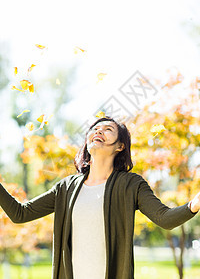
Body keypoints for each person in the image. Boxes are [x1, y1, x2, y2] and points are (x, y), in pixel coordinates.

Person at [0, 116, 199, 279]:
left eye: (107, 129)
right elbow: (20, 214)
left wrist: (194, 204)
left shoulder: (131, 184)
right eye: (95, 129)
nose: (99, 131)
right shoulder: (66, 187)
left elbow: (165, 218)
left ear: (120, 146)